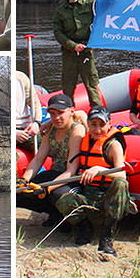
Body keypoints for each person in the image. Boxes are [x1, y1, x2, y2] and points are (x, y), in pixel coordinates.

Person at [55, 105, 135, 255]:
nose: (97, 130)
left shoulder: (113, 145)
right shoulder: (85, 139)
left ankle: (106, 237)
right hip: (89, 195)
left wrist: (100, 170)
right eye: (93, 124)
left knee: (120, 183)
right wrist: (46, 124)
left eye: (102, 125)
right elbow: (76, 115)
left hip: (108, 198)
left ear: (109, 124)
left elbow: (122, 174)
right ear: (89, 124)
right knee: (63, 201)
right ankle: (84, 229)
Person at [19, 94, 85, 226]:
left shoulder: (77, 130)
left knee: (57, 194)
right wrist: (23, 180)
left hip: (74, 178)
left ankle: (82, 226)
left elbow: (71, 170)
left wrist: (47, 189)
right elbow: (38, 159)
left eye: (60, 113)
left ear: (71, 111)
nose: (56, 117)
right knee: (20, 195)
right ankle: (54, 214)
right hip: (56, 174)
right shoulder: (51, 129)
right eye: (52, 114)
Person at [53, 0, 101, 107]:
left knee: (91, 84)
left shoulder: (90, 4)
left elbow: (109, 2)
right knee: (68, 86)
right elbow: (58, 32)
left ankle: (98, 113)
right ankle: (68, 112)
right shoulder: (60, 11)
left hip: (87, 51)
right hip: (69, 53)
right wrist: (73, 46)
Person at [15, 71, 41, 151]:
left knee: (46, 146)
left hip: (26, 129)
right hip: (7, 132)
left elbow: (35, 102)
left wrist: (37, 123)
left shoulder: (21, 77)